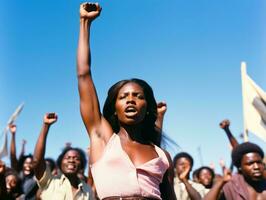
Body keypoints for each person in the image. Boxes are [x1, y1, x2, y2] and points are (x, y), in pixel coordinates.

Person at [77, 2, 176, 199]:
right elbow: (83, 75)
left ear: (148, 108)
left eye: (138, 97)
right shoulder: (103, 139)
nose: (130, 100)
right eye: (123, 97)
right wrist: (85, 23)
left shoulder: (162, 156)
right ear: (114, 108)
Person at [33, 113, 92, 200]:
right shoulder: (49, 182)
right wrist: (46, 126)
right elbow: (37, 161)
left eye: (76, 158)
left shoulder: (87, 190)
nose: (71, 160)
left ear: (82, 165)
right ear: (60, 163)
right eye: (67, 158)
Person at [9, 124, 38, 200]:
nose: (28, 165)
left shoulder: (35, 178)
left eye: (31, 163)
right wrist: (13, 135)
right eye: (26, 163)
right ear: (22, 164)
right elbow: (13, 155)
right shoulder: (18, 174)